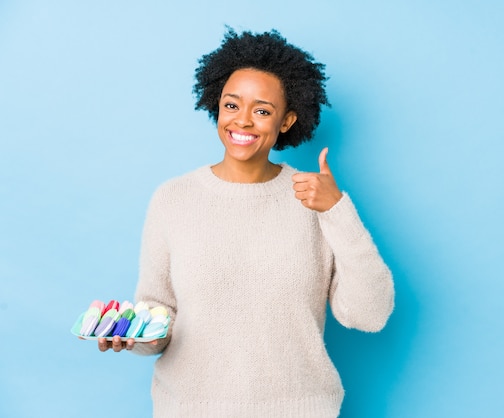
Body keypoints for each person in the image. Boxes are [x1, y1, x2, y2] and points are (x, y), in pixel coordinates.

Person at [98, 28, 394, 417]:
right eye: (232, 105)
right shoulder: (173, 199)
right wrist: (132, 337)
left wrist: (337, 209)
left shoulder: (313, 198)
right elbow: (158, 310)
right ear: (216, 107)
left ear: (286, 120)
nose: (243, 121)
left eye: (262, 110)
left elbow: (369, 315)